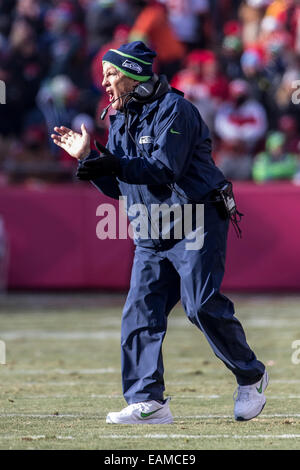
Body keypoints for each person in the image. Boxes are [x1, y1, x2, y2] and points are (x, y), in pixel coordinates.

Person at [51, 41, 268, 425]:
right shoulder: (117, 118)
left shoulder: (177, 110)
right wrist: (89, 159)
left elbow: (162, 169)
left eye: (111, 73)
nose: (103, 81)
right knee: (140, 311)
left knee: (200, 305)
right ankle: (148, 401)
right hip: (150, 229)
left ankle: (251, 375)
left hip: (195, 220)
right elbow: (120, 186)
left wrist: (108, 162)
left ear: (134, 76)